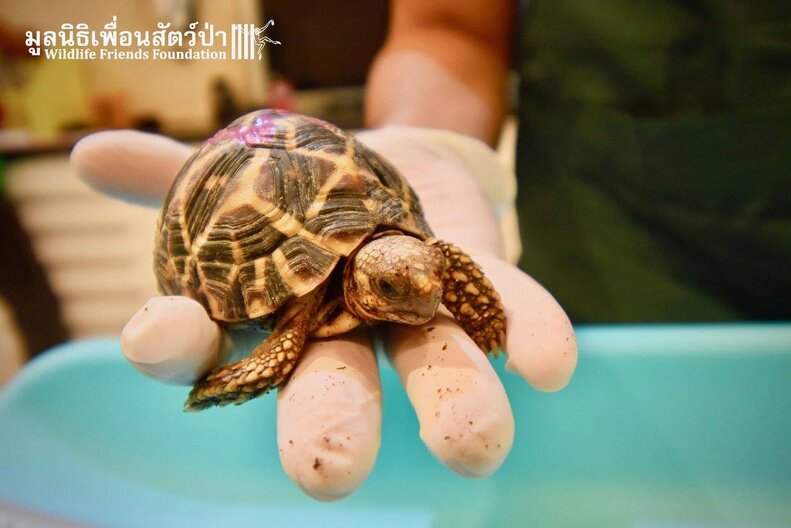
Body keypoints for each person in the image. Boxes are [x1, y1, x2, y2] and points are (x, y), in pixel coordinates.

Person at [74, 0, 790, 499]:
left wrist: (448, 281)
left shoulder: (418, 263)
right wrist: (433, 134)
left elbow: (431, 268)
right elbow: (448, 25)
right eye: (398, 290)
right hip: (624, 249)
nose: (422, 295)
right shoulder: (323, 289)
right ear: (363, 283)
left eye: (422, 279)